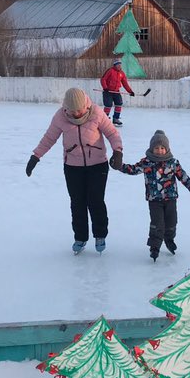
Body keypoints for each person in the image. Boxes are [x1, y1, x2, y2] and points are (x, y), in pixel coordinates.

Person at [26, 87, 123, 254]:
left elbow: (112, 134)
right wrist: (36, 156)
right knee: (77, 203)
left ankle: (100, 234)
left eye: (79, 110)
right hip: (72, 167)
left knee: (96, 200)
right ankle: (80, 237)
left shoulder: (97, 113)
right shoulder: (60, 117)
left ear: (85, 105)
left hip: (97, 165)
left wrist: (118, 151)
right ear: (66, 108)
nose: (76, 114)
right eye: (72, 111)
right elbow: (49, 138)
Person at [113, 129, 190, 261]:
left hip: (170, 199)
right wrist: (119, 166)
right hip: (154, 200)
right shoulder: (147, 162)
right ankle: (154, 246)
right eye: (156, 148)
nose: (159, 150)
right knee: (157, 224)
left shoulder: (173, 163)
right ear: (151, 148)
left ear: (167, 149)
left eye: (162, 148)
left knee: (172, 222)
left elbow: (183, 177)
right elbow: (133, 169)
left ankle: (169, 240)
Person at [100, 59, 135, 126]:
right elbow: (103, 79)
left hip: (116, 91)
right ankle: (104, 119)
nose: (119, 66)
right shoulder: (110, 71)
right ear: (115, 65)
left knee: (119, 103)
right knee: (108, 105)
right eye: (117, 64)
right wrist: (105, 88)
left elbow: (125, 83)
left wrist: (130, 91)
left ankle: (116, 119)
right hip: (108, 91)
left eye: (120, 64)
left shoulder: (121, 73)